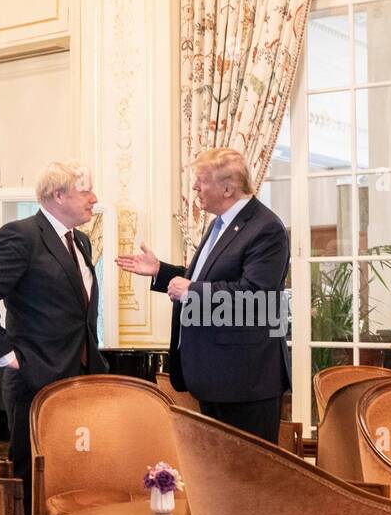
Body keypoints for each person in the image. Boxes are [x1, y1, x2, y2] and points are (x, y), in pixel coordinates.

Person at [0, 160, 108, 515]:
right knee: (32, 474)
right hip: (35, 379)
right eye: (86, 192)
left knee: (67, 473)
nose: (93, 199)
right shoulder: (21, 236)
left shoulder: (80, 241)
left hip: (77, 378)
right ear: (59, 196)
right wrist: (7, 356)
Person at [117, 147, 290, 443]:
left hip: (245, 381)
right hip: (215, 377)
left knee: (245, 479)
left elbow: (255, 297)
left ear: (227, 187)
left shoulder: (266, 228)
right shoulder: (219, 224)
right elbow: (206, 279)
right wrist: (162, 272)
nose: (195, 187)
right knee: (215, 477)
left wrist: (192, 290)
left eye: (201, 180)